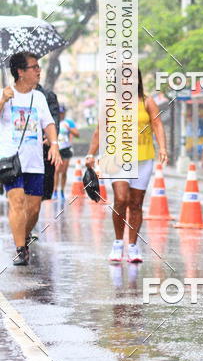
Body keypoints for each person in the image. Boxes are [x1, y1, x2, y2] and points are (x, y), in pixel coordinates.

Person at [86, 70, 168, 263]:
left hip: (144, 158)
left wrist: (163, 147)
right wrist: (91, 153)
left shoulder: (146, 102)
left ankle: (132, 246)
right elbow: (100, 130)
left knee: (136, 204)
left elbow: (157, 125)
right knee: (121, 199)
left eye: (130, 76)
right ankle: (117, 243)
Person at [0, 52, 61, 265]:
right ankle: (19, 249)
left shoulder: (39, 97)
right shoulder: (4, 94)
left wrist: (54, 144)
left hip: (35, 160)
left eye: (38, 66)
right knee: (16, 202)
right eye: (34, 67)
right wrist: (2, 100)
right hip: (11, 159)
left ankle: (23, 238)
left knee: (34, 208)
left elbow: (49, 124)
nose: (38, 70)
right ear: (20, 72)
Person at [53, 105, 79, 200]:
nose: (61, 115)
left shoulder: (69, 122)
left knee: (64, 172)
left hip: (66, 148)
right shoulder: (54, 120)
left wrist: (69, 129)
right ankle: (55, 191)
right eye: (59, 113)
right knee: (56, 170)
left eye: (62, 113)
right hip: (57, 149)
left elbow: (77, 134)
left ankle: (62, 191)